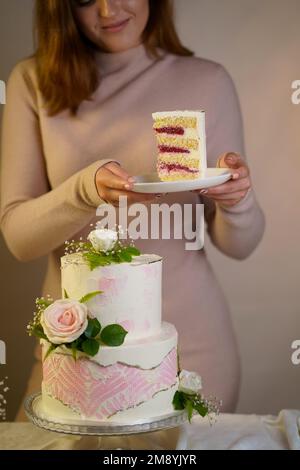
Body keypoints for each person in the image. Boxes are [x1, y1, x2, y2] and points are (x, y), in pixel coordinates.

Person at [0, 0, 265, 420]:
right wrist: (86, 190)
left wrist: (238, 201)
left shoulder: (207, 81)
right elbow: (18, 239)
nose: (108, 11)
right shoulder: (31, 81)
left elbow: (240, 246)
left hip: (192, 352)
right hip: (75, 353)